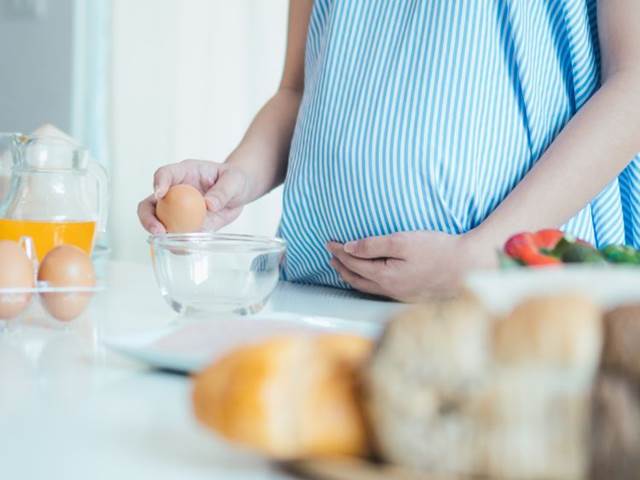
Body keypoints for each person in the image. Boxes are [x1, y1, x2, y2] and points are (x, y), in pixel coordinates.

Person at [138, 0, 640, 301]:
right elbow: (299, 90)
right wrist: (236, 179)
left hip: (508, 305)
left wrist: (482, 255)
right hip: (319, 296)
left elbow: (633, 87)